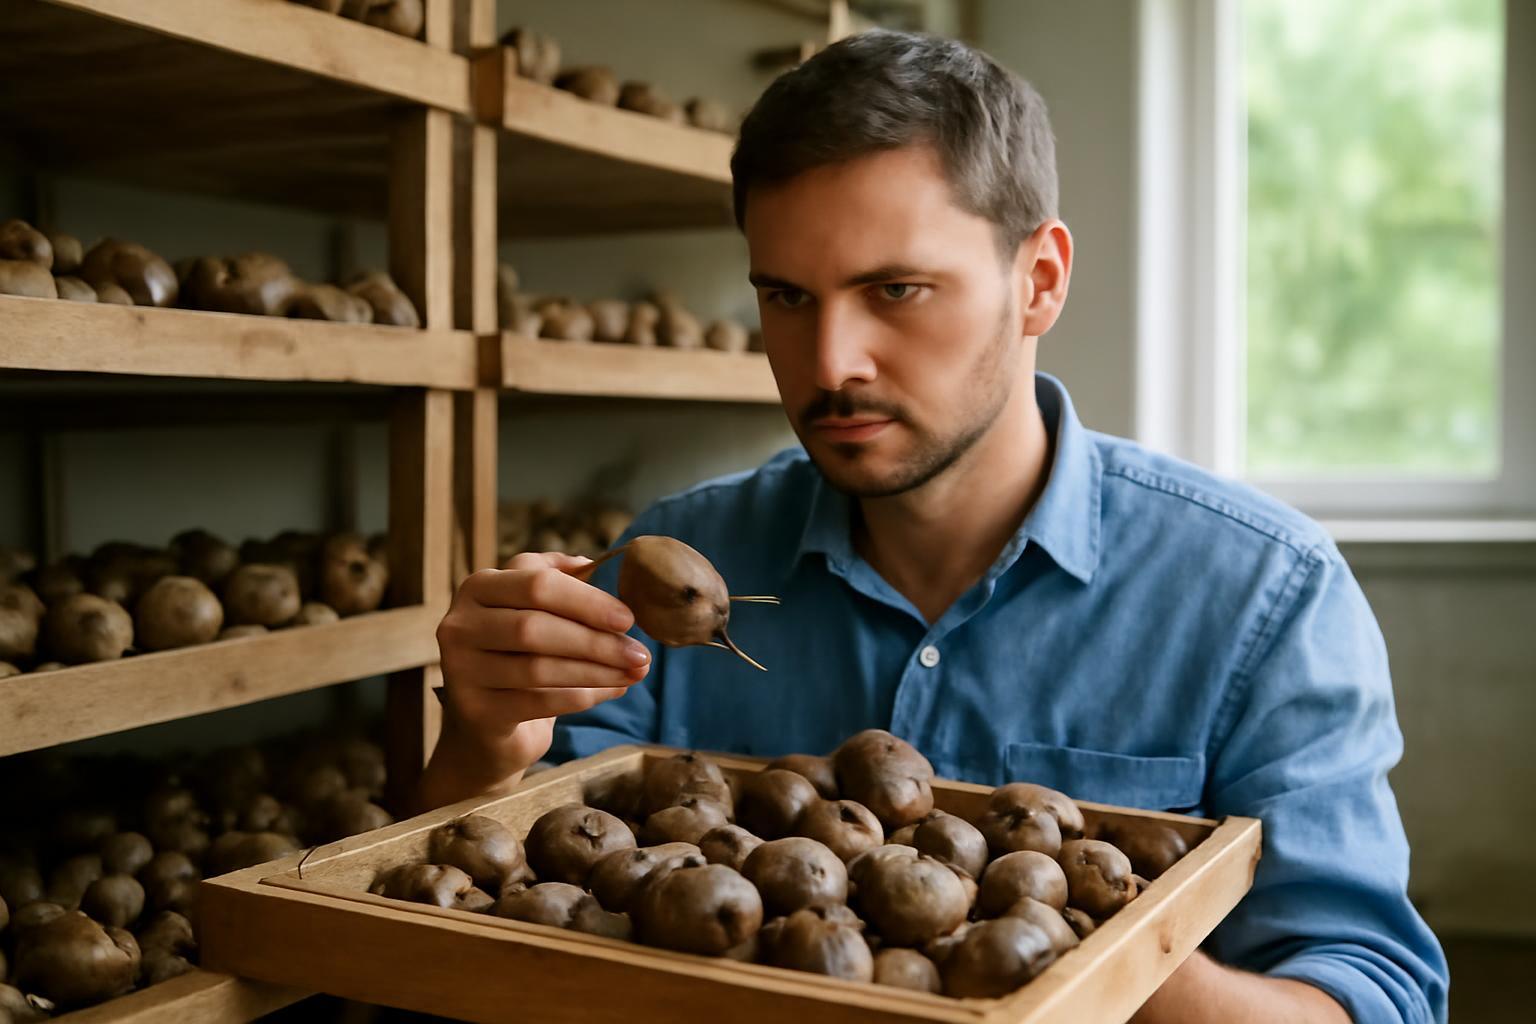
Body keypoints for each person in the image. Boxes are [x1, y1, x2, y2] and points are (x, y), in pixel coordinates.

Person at [421, 30, 1448, 1024]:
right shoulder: (676, 561)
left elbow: (1377, 994)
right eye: (786, 296)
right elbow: (503, 927)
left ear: (1038, 280)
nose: (830, 363)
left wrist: (1097, 954)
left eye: (896, 289)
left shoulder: (1263, 594)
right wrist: (476, 748)